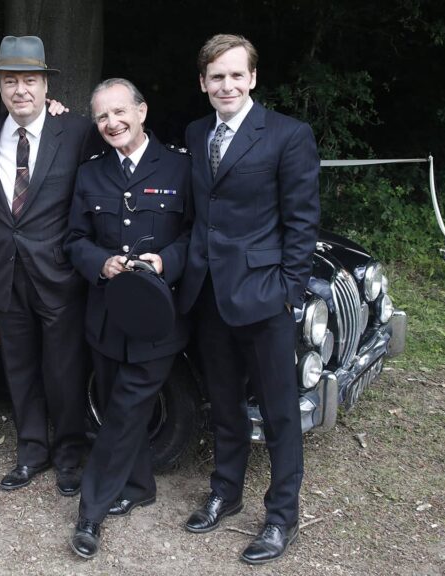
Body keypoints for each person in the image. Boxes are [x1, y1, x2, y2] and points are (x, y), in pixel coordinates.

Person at [175, 33, 321, 565]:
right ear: (203, 83)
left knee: (281, 414)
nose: (227, 85)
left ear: (253, 78)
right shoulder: (195, 133)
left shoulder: (288, 135)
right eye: (217, 77)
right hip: (208, 295)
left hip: (264, 298)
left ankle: (282, 516)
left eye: (237, 75)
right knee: (225, 406)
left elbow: (301, 224)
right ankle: (225, 492)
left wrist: (288, 292)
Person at [63, 78, 192, 559]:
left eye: (120, 112)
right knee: (120, 398)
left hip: (158, 317)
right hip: (106, 317)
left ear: (141, 111)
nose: (112, 123)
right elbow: (75, 238)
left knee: (122, 412)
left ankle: (90, 514)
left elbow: (195, 236)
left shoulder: (180, 167)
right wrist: (102, 262)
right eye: (102, 117)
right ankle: (139, 486)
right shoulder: (90, 174)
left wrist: (165, 262)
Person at [0, 36, 100, 495]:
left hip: (59, 276)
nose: (20, 89)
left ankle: (69, 454)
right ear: (0, 87)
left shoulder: (79, 131)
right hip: (5, 274)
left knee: (64, 372)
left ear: (46, 85)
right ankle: (31, 451)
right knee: (18, 369)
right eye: (11, 81)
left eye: (30, 80)